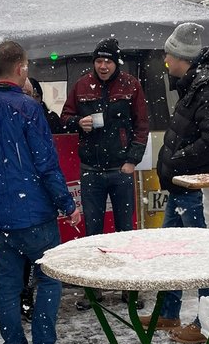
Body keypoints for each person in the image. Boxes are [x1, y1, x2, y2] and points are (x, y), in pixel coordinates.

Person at [0, 40, 80, 344]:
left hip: (0, 218)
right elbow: (47, 165)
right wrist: (67, 204)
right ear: (22, 68)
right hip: (35, 216)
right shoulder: (29, 109)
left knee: (9, 285)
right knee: (48, 280)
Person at [141, 22, 209, 344]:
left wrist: (177, 162)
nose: (165, 61)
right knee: (171, 253)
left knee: (200, 257)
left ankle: (205, 322)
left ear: (181, 57)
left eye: (168, 55)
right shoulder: (193, 85)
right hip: (180, 188)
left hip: (195, 189)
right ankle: (168, 312)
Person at [61, 38, 149, 237]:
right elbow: (64, 118)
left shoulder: (131, 85)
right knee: (93, 232)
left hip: (121, 169)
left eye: (108, 62)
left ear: (116, 63)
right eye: (99, 61)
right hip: (91, 170)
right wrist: (78, 122)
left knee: (125, 231)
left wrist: (132, 161)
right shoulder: (82, 85)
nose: (103, 66)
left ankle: (124, 258)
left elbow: (142, 125)